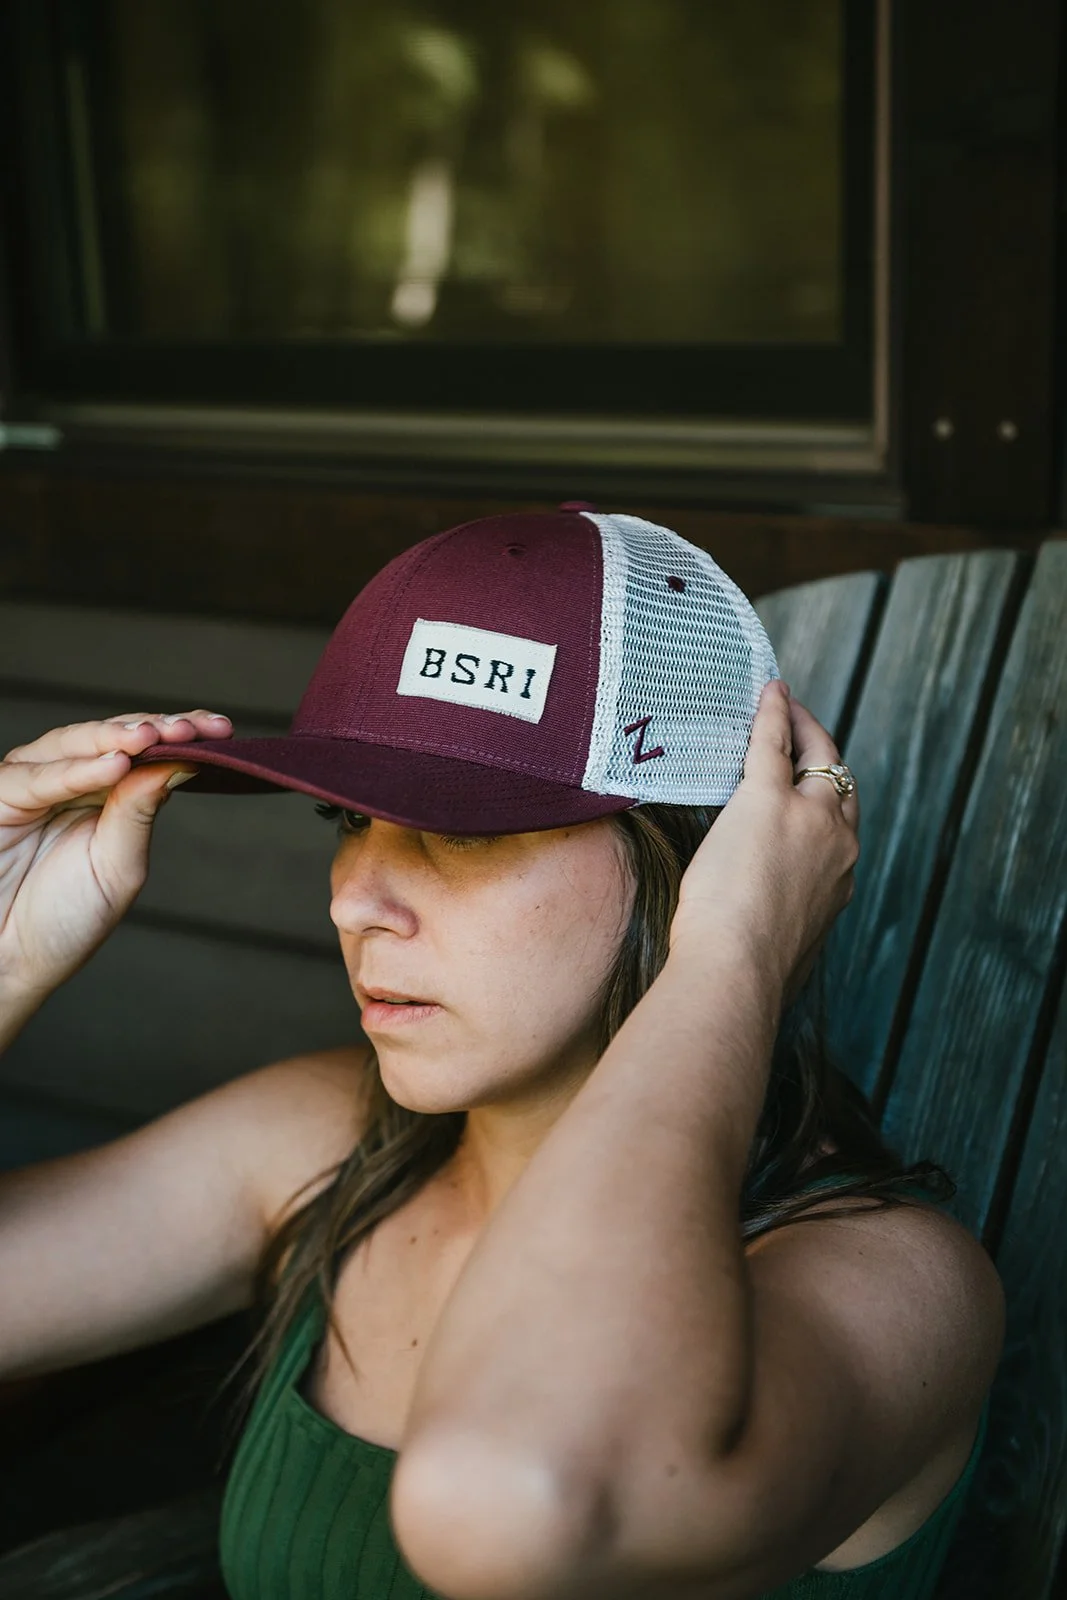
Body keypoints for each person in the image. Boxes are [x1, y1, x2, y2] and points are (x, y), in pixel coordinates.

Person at [0, 507, 1004, 1600]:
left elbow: (522, 1494)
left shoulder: (891, 1280)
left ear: (698, 864)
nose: (352, 900)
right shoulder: (323, 1147)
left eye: (463, 829)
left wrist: (732, 957)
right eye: (347, 820)